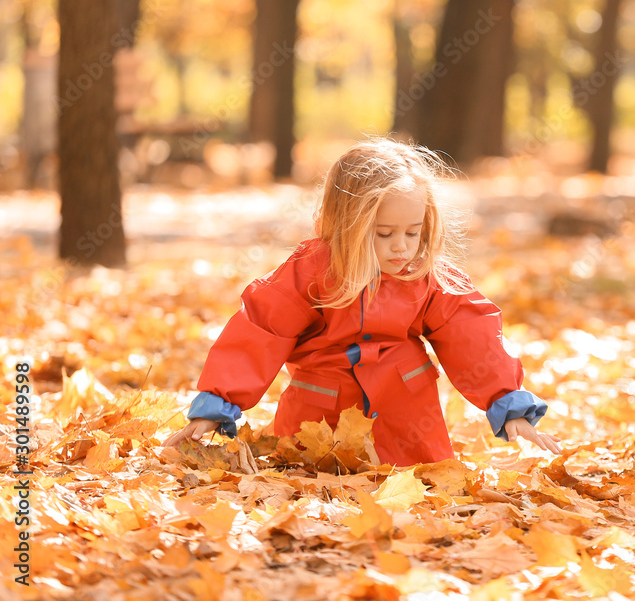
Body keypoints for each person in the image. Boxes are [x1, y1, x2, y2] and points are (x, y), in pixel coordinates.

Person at [164, 138, 560, 465]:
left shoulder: (426, 274)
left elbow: (470, 334)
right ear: (347, 224)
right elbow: (262, 328)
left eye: (413, 231)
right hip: (320, 411)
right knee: (309, 478)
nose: (402, 247)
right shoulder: (312, 270)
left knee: (421, 482)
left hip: (405, 413)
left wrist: (508, 402)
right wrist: (217, 402)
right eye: (384, 233)